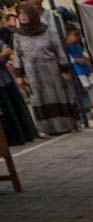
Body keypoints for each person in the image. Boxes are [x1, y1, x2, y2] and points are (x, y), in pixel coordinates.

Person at [10, 2, 79, 137]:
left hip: (50, 67)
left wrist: (64, 70)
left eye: (25, 14)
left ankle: (65, 125)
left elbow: (59, 50)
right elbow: (17, 55)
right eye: (20, 14)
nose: (22, 17)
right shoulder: (17, 35)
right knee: (39, 97)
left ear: (32, 15)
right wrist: (19, 74)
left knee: (57, 94)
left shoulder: (47, 31)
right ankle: (46, 128)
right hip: (32, 70)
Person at [0, 35, 38, 146]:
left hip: (6, 79)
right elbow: (4, 53)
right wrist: (2, 55)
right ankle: (12, 139)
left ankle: (25, 135)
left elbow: (8, 51)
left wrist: (4, 55)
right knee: (6, 113)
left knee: (17, 108)